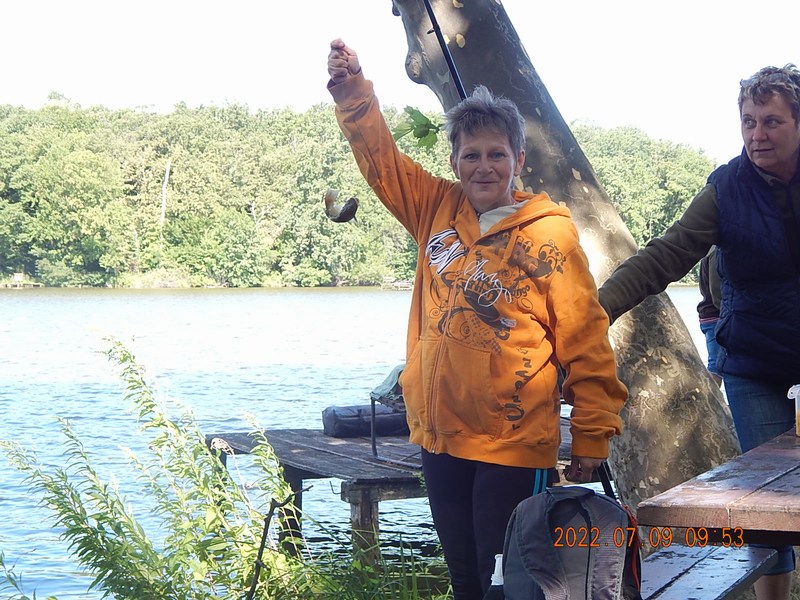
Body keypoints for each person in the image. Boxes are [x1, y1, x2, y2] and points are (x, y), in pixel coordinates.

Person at [327, 39, 628, 600]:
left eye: (496, 154)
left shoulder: (550, 235)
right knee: (465, 581)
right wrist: (352, 92)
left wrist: (592, 433)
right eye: (471, 155)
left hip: (511, 442)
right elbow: (382, 162)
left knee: (510, 584)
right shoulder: (435, 208)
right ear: (454, 162)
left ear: (519, 161)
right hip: (440, 437)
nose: (483, 166)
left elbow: (586, 339)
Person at [598, 63, 800, 600]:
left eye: (772, 122)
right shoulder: (726, 189)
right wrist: (598, 310)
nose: (757, 134)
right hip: (754, 364)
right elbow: (667, 254)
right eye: (749, 122)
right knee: (765, 508)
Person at [696, 246, 722, 385]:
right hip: (715, 316)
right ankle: (709, 397)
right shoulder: (716, 251)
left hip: (711, 315)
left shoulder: (710, 249)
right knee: (716, 368)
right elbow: (716, 292)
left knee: (717, 366)